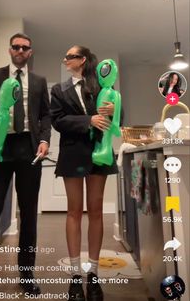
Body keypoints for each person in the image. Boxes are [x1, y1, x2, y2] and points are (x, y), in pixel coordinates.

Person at [0, 33, 51, 299]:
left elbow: (45, 114)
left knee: (28, 215)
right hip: (0, 149)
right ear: (9, 50)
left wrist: (45, 139)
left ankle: (27, 276)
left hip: (29, 150)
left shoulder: (39, 81)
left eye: (25, 47)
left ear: (30, 52)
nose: (20, 50)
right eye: (15, 46)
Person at [50, 45, 119, 301]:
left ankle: (93, 274)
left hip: (99, 153)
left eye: (70, 56)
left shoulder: (103, 87)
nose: (65, 59)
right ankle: (75, 276)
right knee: (74, 211)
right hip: (72, 153)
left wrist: (113, 115)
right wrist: (87, 121)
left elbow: (118, 121)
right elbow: (57, 121)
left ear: (83, 60)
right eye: (66, 56)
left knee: (97, 210)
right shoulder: (58, 90)